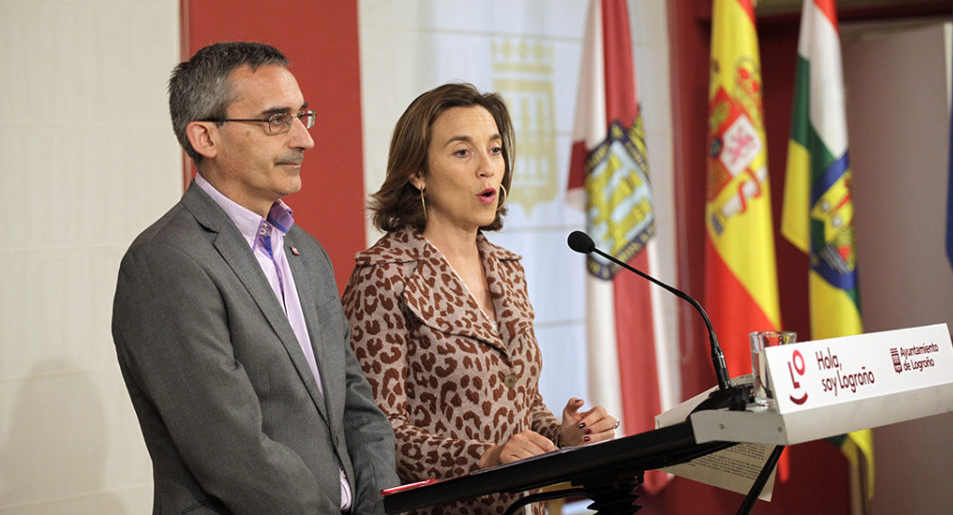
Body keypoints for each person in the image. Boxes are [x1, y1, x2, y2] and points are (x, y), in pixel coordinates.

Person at [112, 42, 398, 514]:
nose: (304, 139)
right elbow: (229, 450)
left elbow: (358, 405)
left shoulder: (306, 252)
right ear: (206, 137)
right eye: (275, 120)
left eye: (302, 116)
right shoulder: (166, 261)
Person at [341, 83, 618, 515]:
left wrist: (564, 435)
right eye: (462, 152)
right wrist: (485, 459)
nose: (488, 169)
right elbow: (377, 433)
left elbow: (520, 404)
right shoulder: (384, 275)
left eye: (494, 150)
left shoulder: (507, 269)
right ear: (417, 172)